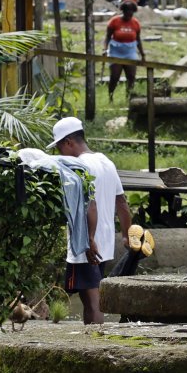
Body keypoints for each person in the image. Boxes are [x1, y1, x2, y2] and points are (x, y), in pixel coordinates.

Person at [50, 117, 131, 325]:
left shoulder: (76, 166)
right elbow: (121, 203)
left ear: (69, 142)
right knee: (94, 297)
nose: (60, 154)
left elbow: (89, 205)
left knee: (92, 302)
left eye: (59, 148)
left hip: (86, 243)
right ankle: (95, 342)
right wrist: (126, 235)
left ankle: (95, 347)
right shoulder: (106, 162)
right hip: (104, 242)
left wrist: (89, 239)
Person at [103, 0, 145, 101]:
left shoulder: (135, 23)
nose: (129, 15)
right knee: (115, 76)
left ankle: (129, 98)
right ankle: (111, 97)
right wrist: (104, 49)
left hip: (130, 52)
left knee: (131, 77)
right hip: (116, 52)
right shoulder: (114, 21)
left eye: (131, 13)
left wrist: (143, 54)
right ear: (123, 11)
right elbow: (108, 37)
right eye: (127, 13)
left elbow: (138, 39)